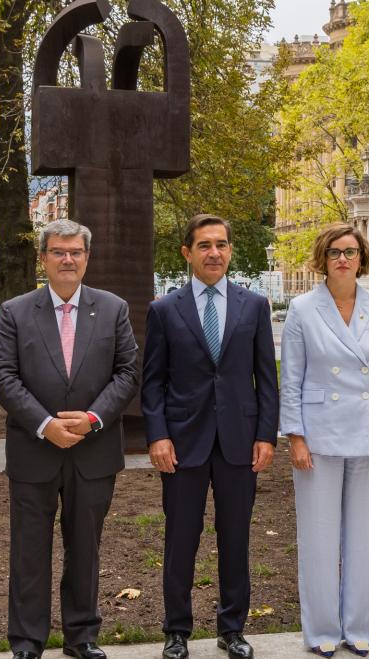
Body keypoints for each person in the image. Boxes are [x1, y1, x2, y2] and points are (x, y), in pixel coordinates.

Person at [0, 219, 140, 659]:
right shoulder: (17, 311)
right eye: (58, 252)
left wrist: (93, 418)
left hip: (93, 449)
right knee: (29, 551)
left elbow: (128, 372)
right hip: (35, 450)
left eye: (76, 252)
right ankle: (27, 641)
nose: (68, 259)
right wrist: (45, 424)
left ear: (87, 258)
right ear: (43, 258)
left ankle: (82, 636)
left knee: (85, 550)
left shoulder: (113, 308)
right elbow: (3, 375)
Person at [141, 214, 279, 659]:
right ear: (188, 252)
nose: (214, 252)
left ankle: (232, 627)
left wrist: (266, 435)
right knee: (181, 537)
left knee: (235, 538)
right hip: (183, 442)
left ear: (230, 250)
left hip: (240, 439)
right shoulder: (165, 309)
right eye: (204, 245)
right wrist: (158, 436)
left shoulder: (254, 306)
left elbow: (265, 377)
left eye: (221, 244)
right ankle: (176, 631)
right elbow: (153, 381)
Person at [279, 223, 369, 658]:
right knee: (318, 536)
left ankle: (358, 626)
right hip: (318, 433)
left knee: (366, 535)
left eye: (351, 252)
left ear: (362, 258)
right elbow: (291, 377)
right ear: (323, 258)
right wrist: (294, 435)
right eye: (335, 252)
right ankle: (320, 630)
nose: (343, 259)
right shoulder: (302, 308)